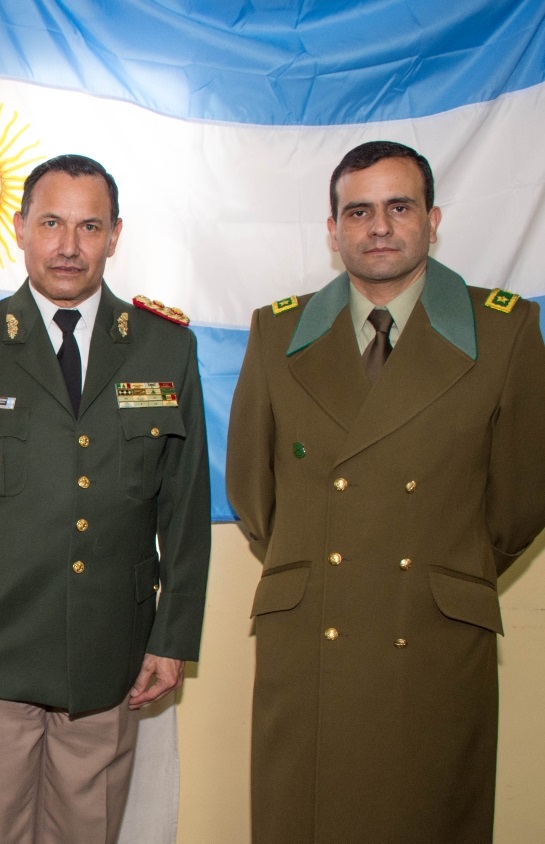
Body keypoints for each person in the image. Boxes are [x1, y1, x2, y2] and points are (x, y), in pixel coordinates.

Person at [226, 140, 545, 843]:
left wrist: (441, 567)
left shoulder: (504, 330)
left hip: (431, 637)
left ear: (432, 220)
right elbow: (254, 497)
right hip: (312, 640)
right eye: (358, 210)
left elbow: (521, 501)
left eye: (398, 207)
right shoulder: (276, 330)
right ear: (332, 229)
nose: (377, 226)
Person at [0, 153, 211, 844]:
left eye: (88, 226)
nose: (68, 246)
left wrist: (173, 638)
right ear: (18, 229)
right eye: (50, 223)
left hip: (110, 653)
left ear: (114, 234)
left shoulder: (164, 348)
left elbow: (185, 509)